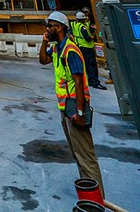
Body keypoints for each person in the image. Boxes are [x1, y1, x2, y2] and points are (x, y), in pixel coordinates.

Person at [39, 10, 104, 197]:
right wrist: (44, 41)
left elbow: (79, 82)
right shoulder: (58, 48)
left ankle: (98, 202)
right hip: (66, 108)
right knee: (78, 155)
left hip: (75, 108)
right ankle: (89, 198)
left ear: (58, 28)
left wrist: (80, 112)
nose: (47, 29)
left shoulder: (70, 50)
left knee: (86, 158)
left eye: (49, 25)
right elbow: (43, 60)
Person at [72, 11, 106, 90]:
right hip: (87, 47)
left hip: (80, 47)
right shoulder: (82, 27)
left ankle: (90, 80)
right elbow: (87, 38)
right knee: (92, 65)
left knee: (87, 65)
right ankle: (95, 82)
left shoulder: (75, 25)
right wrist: (93, 34)